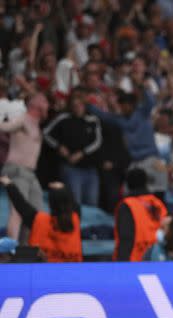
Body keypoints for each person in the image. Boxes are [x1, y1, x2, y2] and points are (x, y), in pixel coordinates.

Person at [0, 93, 49, 242]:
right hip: (17, 169)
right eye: (45, 101)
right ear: (37, 105)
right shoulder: (23, 119)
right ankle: (11, 250)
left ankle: (29, 248)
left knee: (37, 213)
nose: (48, 105)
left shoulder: (36, 123)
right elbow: (5, 127)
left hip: (30, 173)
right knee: (17, 211)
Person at [42, 88, 102, 206]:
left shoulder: (92, 119)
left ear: (84, 105)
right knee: (75, 203)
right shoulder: (63, 118)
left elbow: (97, 141)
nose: (77, 107)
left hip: (90, 169)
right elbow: (45, 133)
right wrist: (58, 146)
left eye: (80, 105)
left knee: (92, 203)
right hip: (71, 168)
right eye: (74, 105)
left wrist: (82, 153)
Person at [0, 176, 82, 262]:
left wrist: (9, 184)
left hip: (42, 271)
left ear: (50, 203)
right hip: (73, 271)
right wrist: (63, 190)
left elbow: (21, 204)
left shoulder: (39, 220)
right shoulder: (75, 219)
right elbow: (73, 203)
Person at [113, 169, 168, 262]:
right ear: (145, 182)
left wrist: (121, 264)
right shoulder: (158, 203)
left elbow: (125, 237)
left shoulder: (127, 205)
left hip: (135, 259)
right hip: (158, 258)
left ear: (128, 184)